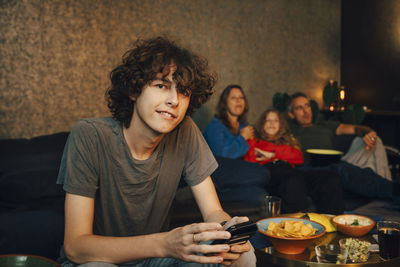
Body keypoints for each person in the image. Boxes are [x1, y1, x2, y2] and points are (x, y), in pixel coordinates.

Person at [56, 37, 256, 267]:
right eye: (161, 86)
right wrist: (165, 244)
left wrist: (228, 230)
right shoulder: (89, 134)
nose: (174, 101)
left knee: (245, 254)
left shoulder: (185, 132)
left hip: (156, 259)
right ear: (134, 90)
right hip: (99, 259)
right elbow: (76, 246)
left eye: (183, 91)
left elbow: (213, 211)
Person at [288, 92, 399, 203]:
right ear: (291, 114)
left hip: (333, 162)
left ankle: (392, 189)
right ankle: (394, 191)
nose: (305, 111)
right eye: (299, 108)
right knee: (343, 170)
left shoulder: (324, 126)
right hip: (309, 167)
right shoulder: (289, 130)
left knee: (364, 171)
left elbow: (356, 128)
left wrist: (369, 133)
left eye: (307, 106)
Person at [244, 108, 345, 214]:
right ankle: (297, 227)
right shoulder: (255, 141)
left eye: (275, 120)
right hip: (271, 173)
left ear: (281, 124)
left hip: (293, 172)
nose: (271, 123)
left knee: (331, 178)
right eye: (268, 120)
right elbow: (250, 161)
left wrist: (272, 154)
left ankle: (331, 223)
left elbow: (298, 157)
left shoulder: (287, 141)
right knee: (293, 181)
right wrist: (278, 155)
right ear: (262, 124)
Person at [202, 85, 269, 206]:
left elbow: (246, 156)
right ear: (225, 103)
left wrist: (256, 152)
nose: (238, 101)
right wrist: (243, 138)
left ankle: (223, 193)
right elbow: (221, 156)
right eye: (233, 98)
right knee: (263, 174)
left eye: (241, 97)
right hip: (216, 173)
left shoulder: (244, 126)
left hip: (235, 181)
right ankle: (213, 190)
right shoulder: (215, 126)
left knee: (262, 195)